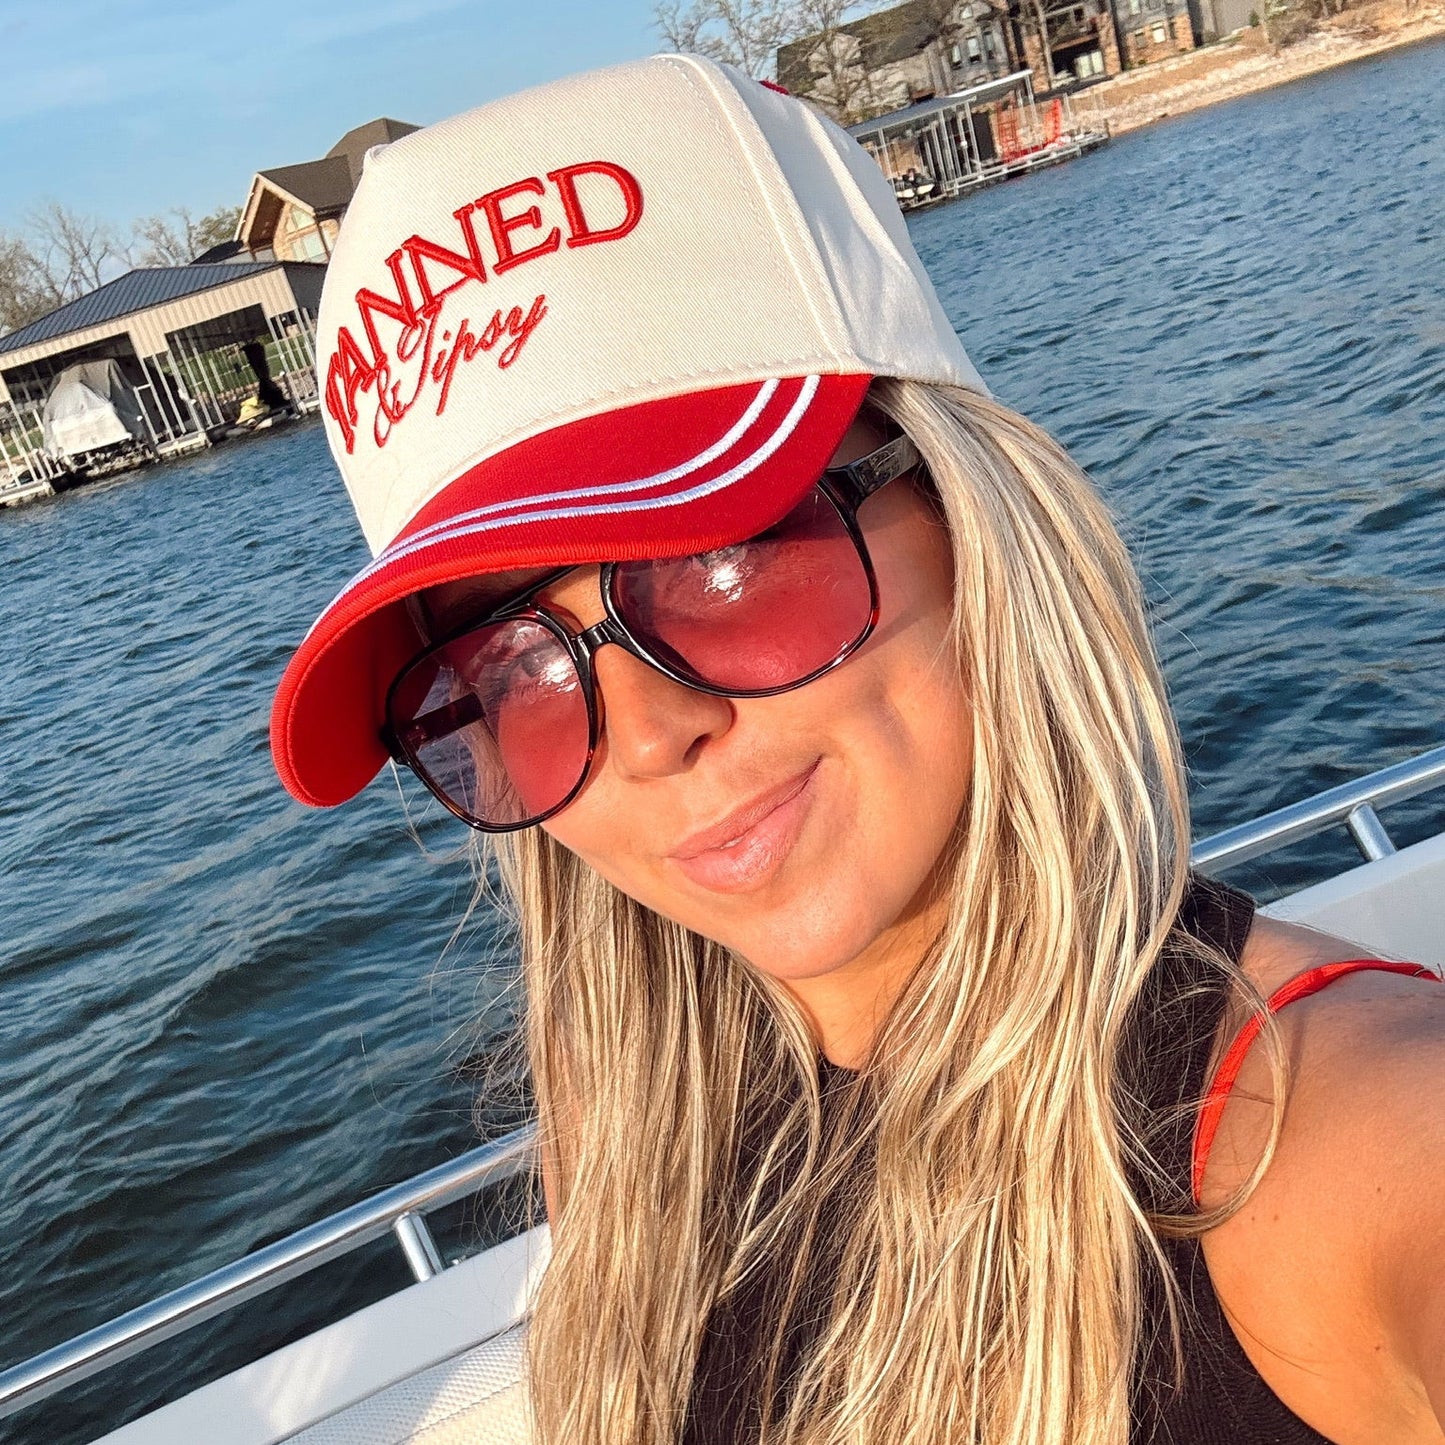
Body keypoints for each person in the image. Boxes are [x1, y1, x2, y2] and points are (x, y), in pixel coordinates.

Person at [268, 55, 1445, 1445]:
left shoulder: (1316, 1146)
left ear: (967, 506)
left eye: (723, 552)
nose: (645, 733)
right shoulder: (646, 1133)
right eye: (500, 668)